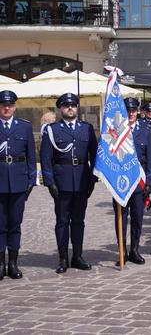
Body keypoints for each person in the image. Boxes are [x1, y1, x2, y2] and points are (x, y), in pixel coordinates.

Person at [40, 93, 98, 274]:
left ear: (77, 107)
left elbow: (94, 155)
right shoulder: (52, 130)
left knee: (79, 221)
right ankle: (63, 258)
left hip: (82, 179)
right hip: (62, 181)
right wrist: (50, 182)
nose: (70, 108)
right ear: (60, 109)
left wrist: (93, 179)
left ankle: (78, 256)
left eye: (73, 105)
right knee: (62, 220)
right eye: (66, 106)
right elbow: (45, 159)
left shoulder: (87, 129)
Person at [113, 97, 151, 265]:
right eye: (127, 110)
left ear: (137, 111)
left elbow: (150, 158)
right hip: (121, 181)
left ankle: (135, 250)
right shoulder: (115, 131)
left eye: (133, 110)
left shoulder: (145, 131)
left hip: (139, 181)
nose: (130, 113)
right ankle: (122, 252)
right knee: (120, 218)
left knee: (137, 217)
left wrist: (150, 183)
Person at [0, 90, 36, 280]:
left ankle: (13, 263)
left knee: (15, 223)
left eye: (10, 104)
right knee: (0, 224)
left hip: (19, 181)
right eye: (4, 104)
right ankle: (0, 263)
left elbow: (31, 154)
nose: (7, 107)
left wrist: (32, 180)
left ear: (14, 106)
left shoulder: (24, 127)